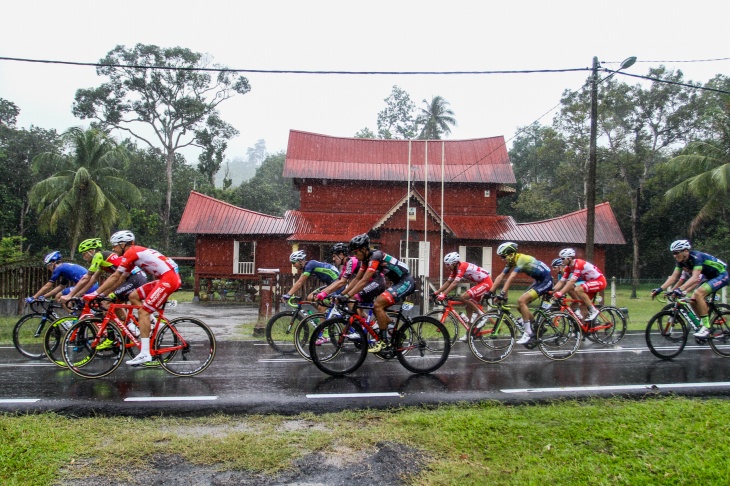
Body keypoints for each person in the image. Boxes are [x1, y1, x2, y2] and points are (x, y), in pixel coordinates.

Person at [84, 231, 181, 366]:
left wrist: (95, 294)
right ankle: (152, 323)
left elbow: (114, 276)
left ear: (123, 245)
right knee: (133, 296)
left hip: (169, 279)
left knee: (143, 312)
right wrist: (102, 294)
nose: (113, 249)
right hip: (165, 278)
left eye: (115, 246)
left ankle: (145, 353)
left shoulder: (131, 252)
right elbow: (121, 278)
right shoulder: (132, 254)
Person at [338, 233, 415, 353]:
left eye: (356, 252)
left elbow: (364, 281)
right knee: (376, 308)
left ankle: (383, 342)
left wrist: (347, 296)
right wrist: (343, 295)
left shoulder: (376, 256)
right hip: (397, 282)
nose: (355, 256)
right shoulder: (365, 260)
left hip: (405, 282)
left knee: (378, 304)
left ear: (363, 249)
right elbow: (357, 279)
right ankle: (391, 328)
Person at [651, 239, 729, 338]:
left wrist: (680, 289)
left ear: (686, 251)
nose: (674, 255)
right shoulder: (681, 262)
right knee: (692, 300)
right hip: (710, 277)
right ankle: (703, 323)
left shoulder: (697, 257)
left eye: (676, 253)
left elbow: (695, 278)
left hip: (721, 275)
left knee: (698, 293)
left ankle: (706, 327)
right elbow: (674, 277)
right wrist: (659, 289)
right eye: (673, 253)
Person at [489, 242, 553, 345]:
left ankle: (528, 333)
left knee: (521, 301)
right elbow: (501, 276)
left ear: (511, 254)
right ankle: (536, 326)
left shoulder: (521, 259)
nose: (502, 259)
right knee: (520, 306)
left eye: (503, 256)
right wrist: (490, 291)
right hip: (538, 281)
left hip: (546, 281)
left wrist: (502, 293)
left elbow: (511, 277)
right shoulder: (512, 261)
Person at [60, 238, 148, 312]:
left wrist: (70, 295)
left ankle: (130, 326)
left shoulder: (98, 256)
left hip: (134, 278)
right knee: (108, 303)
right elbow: (93, 280)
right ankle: (123, 327)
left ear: (91, 251)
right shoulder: (103, 259)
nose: (84, 257)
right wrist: (78, 295)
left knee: (106, 302)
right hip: (134, 278)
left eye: (84, 254)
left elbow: (86, 278)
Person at [432, 252, 493, 328]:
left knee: (463, 297)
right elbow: (448, 282)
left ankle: (483, 316)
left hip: (486, 282)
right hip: (480, 283)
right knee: (468, 307)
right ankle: (470, 333)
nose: (446, 266)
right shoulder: (455, 270)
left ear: (454, 263)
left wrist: (443, 294)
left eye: (448, 264)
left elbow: (454, 283)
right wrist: (436, 293)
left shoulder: (462, 266)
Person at [551, 248, 606, 324]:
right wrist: (551, 291)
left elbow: (571, 281)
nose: (561, 260)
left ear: (570, 258)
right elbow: (561, 282)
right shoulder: (568, 268)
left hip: (599, 281)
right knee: (582, 305)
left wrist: (560, 293)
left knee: (578, 289)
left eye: (563, 258)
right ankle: (585, 328)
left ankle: (594, 311)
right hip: (590, 282)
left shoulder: (578, 264)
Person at [27, 251, 95, 302]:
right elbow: (60, 287)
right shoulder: (64, 268)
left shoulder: (59, 268)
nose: (48, 268)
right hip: (91, 286)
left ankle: (73, 319)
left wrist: (34, 297)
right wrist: (44, 296)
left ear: (53, 263)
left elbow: (48, 285)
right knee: (66, 299)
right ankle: (77, 316)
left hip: (88, 286)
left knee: (59, 296)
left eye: (48, 265)